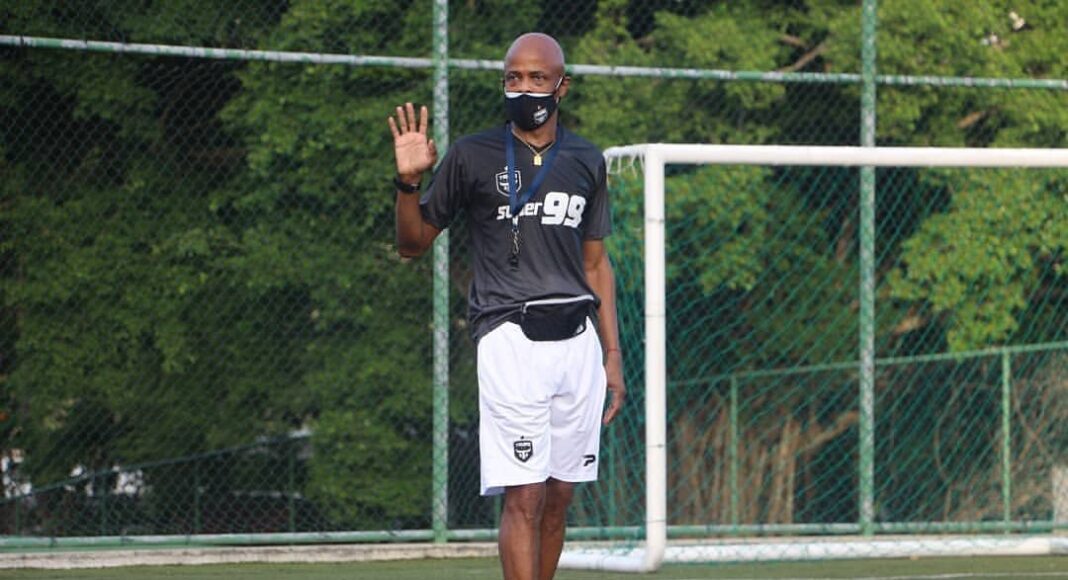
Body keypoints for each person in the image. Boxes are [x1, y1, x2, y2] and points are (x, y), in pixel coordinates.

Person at [388, 32, 625, 580]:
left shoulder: (587, 159)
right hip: (509, 335)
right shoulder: (472, 154)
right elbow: (411, 244)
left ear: (562, 86)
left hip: (577, 342)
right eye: (513, 77)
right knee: (525, 496)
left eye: (537, 78)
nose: (524, 87)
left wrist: (611, 354)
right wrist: (407, 183)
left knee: (559, 496)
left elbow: (596, 265)